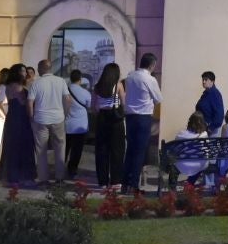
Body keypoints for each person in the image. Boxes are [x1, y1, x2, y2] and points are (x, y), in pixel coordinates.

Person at [122, 52, 163, 191]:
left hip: (130, 117)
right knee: (140, 152)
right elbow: (158, 98)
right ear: (152, 65)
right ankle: (133, 184)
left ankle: (124, 183)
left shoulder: (130, 76)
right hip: (143, 117)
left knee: (130, 150)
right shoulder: (149, 79)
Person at [30, 59, 71, 184]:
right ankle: (59, 177)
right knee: (60, 147)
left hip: (40, 119)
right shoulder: (61, 81)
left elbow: (29, 102)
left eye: (38, 67)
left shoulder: (36, 83)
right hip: (58, 118)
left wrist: (32, 117)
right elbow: (68, 99)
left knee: (41, 150)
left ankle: (43, 178)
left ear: (42, 68)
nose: (37, 70)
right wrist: (65, 114)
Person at [0, 63, 38, 188]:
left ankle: (14, 176)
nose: (25, 73)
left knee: (13, 146)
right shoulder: (18, 87)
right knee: (21, 145)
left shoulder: (9, 86)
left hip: (13, 118)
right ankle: (20, 176)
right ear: (17, 72)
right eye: (22, 71)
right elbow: (23, 102)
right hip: (20, 118)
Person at [92, 62, 127, 192]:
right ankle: (116, 181)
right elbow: (124, 103)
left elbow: (93, 107)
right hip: (116, 120)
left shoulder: (97, 87)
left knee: (101, 150)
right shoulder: (118, 86)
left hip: (102, 119)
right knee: (117, 150)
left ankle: (102, 182)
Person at [64, 69, 92, 180]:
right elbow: (89, 106)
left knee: (65, 148)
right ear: (80, 79)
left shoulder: (65, 90)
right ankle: (72, 169)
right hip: (80, 126)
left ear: (70, 78)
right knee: (77, 150)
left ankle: (60, 168)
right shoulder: (85, 93)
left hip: (67, 124)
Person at [172, 112, 210, 186]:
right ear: (202, 123)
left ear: (190, 122)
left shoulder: (181, 134)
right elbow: (206, 153)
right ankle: (190, 183)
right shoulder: (204, 135)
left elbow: (175, 150)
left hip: (181, 165)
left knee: (174, 163)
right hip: (197, 165)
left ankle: (172, 186)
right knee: (204, 162)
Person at [197, 71, 225, 135]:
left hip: (210, 132)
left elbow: (219, 114)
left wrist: (210, 129)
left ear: (212, 81)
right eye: (203, 79)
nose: (203, 82)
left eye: (206, 80)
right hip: (202, 129)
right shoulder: (206, 93)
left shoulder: (214, 94)